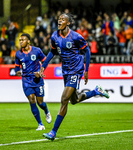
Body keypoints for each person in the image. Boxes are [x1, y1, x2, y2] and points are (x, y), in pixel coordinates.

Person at [38, 13, 110, 141]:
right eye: (59, 19)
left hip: (76, 70)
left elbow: (87, 50)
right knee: (74, 100)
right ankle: (96, 91)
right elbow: (52, 52)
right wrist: (44, 65)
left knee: (64, 99)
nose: (59, 21)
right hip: (66, 70)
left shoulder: (76, 37)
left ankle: (53, 132)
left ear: (68, 22)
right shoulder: (55, 36)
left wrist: (86, 71)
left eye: (62, 19)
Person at [15, 33, 52, 131]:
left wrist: (40, 72)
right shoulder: (18, 54)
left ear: (28, 41)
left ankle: (46, 111)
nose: (21, 42)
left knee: (40, 103)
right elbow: (16, 66)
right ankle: (40, 124)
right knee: (32, 99)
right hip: (26, 80)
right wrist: (17, 71)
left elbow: (45, 61)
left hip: (37, 80)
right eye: (20, 40)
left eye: (23, 40)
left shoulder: (37, 51)